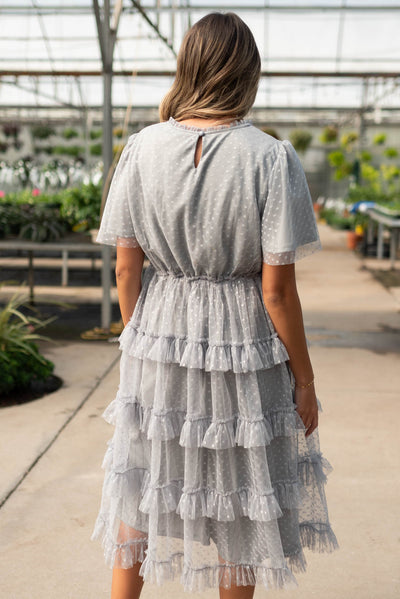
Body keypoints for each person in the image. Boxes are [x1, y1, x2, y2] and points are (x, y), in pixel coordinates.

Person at [91, 11, 339, 599]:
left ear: (190, 66)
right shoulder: (270, 158)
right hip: (241, 344)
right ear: (246, 72)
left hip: (158, 333)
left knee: (142, 486)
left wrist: (144, 339)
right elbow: (276, 292)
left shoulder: (140, 149)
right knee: (239, 503)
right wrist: (303, 378)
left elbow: (127, 267)